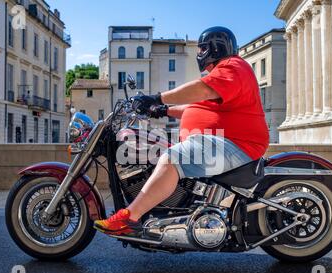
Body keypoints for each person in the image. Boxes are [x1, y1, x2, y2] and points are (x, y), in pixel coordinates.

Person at [94, 26, 269, 236]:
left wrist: (156, 98)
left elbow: (201, 89)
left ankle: (129, 218)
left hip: (237, 144)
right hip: (224, 142)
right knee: (166, 154)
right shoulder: (225, 77)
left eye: (202, 49)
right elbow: (196, 107)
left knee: (171, 159)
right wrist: (161, 110)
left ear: (215, 48)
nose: (199, 54)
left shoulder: (232, 66)